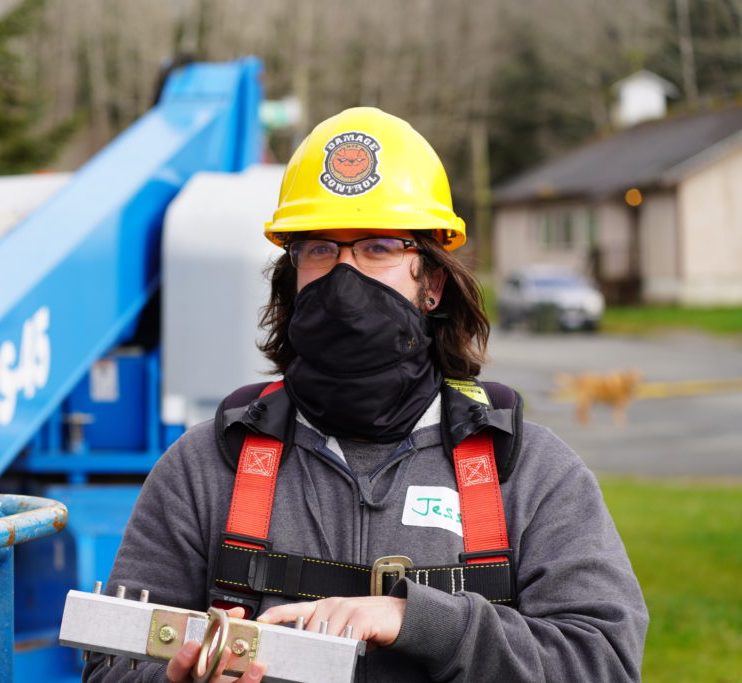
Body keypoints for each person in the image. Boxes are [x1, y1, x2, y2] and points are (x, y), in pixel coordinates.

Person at [83, 108, 648, 682]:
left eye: (378, 247)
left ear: (432, 282)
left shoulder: (526, 472)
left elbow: (602, 662)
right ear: (293, 276)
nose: (343, 275)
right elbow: (111, 663)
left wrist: (418, 620)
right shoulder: (207, 468)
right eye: (321, 249)